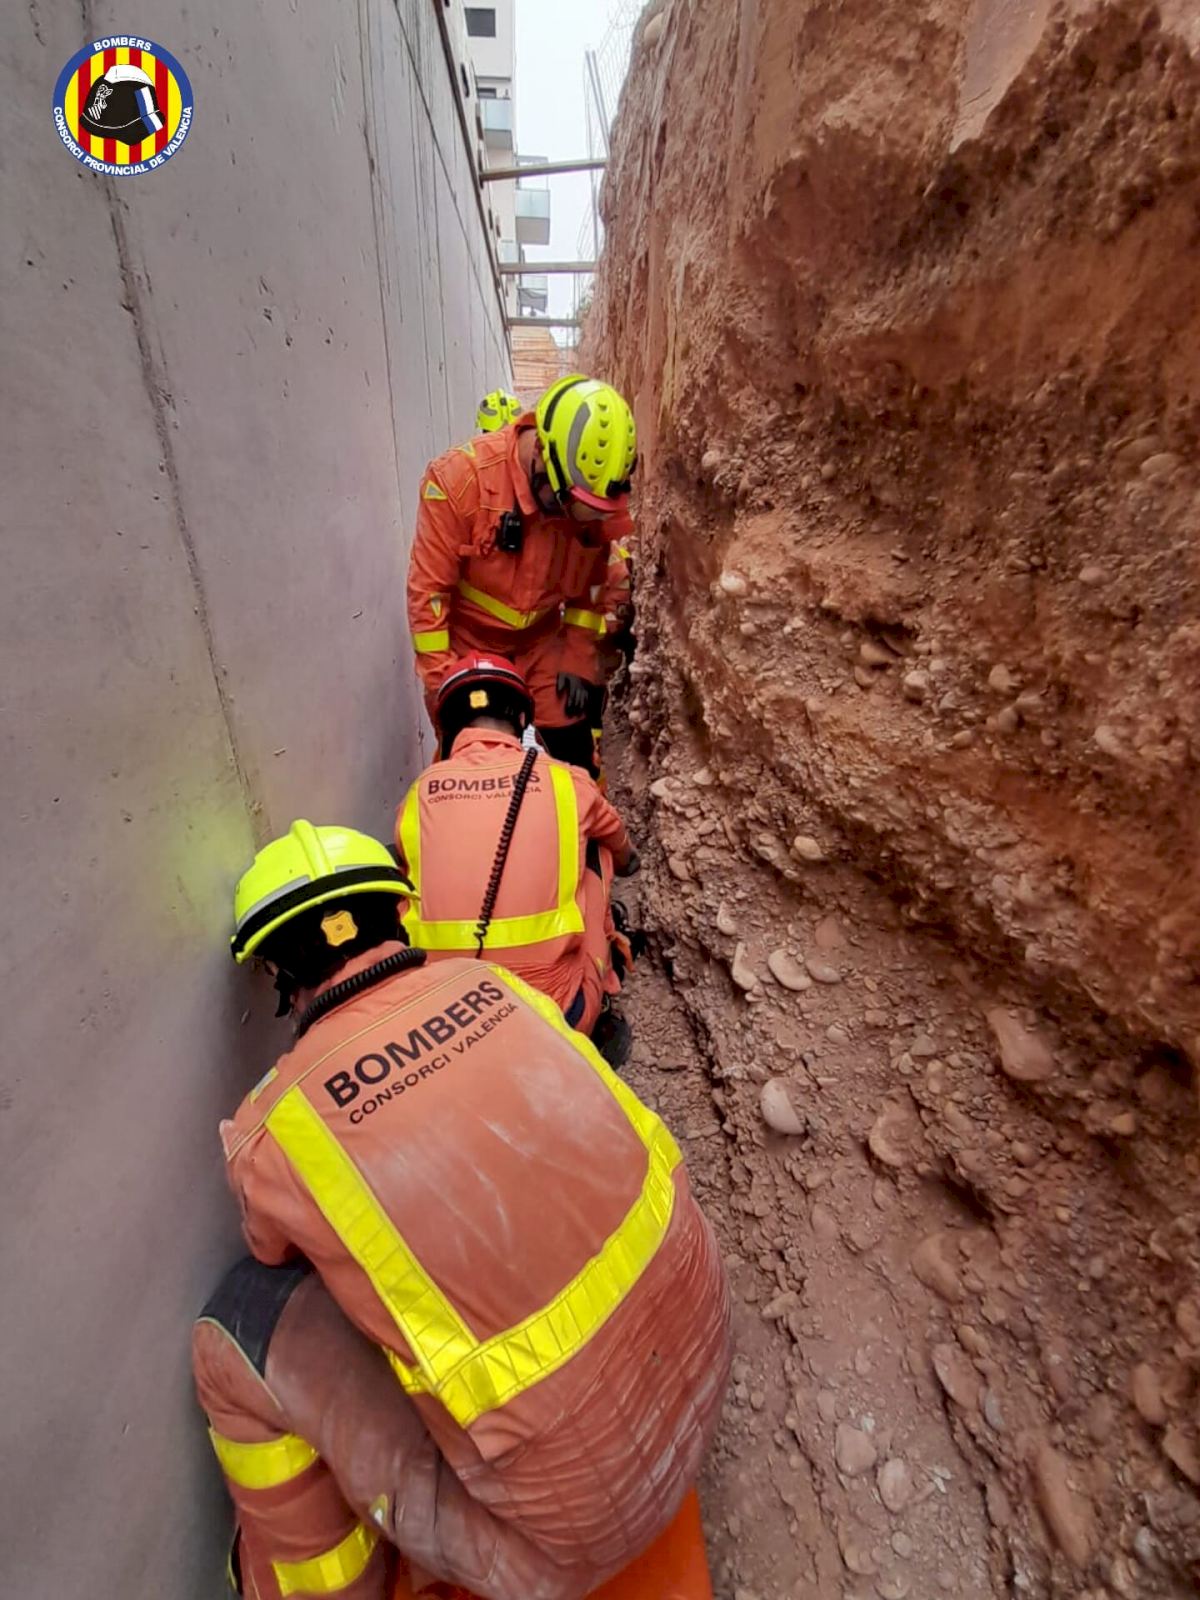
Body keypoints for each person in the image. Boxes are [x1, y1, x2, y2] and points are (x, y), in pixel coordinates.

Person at [193, 821, 730, 1600]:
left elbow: (279, 1256)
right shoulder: (503, 991)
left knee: (240, 1320)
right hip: (702, 1375)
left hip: (567, 1543)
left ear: (278, 973)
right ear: (397, 915)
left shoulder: (274, 1128)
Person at [394, 654, 639, 1054]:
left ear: (448, 727)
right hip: (559, 1018)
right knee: (596, 847)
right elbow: (619, 843)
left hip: (443, 1028)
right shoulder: (566, 781)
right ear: (523, 720)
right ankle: (603, 993)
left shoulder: (418, 794)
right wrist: (628, 860)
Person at [407, 375, 637, 775]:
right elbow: (428, 599)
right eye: (569, 505)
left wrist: (578, 660)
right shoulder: (459, 482)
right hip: (471, 647)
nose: (575, 520)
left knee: (575, 758)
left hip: (543, 644)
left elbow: (590, 589)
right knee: (475, 769)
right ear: (542, 458)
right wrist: (445, 685)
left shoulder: (585, 503)